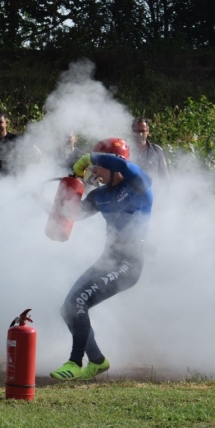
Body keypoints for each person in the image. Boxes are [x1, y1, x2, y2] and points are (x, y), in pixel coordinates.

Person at [49, 137, 153, 381]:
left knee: (78, 302)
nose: (94, 171)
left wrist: (90, 157)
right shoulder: (100, 195)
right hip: (108, 260)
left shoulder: (138, 184)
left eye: (98, 166)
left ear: (113, 164)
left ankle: (75, 362)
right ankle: (97, 361)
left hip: (129, 263)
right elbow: (71, 215)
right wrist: (48, 202)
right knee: (68, 308)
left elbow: (126, 166)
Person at [130, 117, 169, 182]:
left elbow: (164, 175)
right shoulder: (126, 150)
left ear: (147, 131)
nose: (140, 134)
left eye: (142, 131)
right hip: (131, 187)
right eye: (137, 131)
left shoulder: (157, 150)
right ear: (132, 132)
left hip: (154, 187)